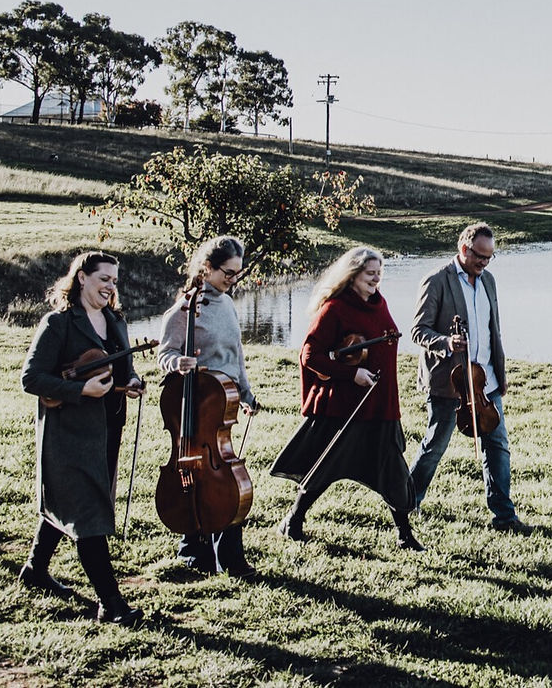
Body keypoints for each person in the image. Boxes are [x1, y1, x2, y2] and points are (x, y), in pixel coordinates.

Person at [18, 251, 144, 625]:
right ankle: (112, 604)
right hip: (69, 435)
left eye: (115, 281)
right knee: (88, 515)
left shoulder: (115, 321)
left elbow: (124, 367)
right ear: (82, 278)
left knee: (75, 502)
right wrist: (80, 391)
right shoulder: (59, 323)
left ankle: (35, 571)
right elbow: (32, 378)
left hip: (108, 430)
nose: (110, 287)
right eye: (104, 279)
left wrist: (131, 382)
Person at [270, 247, 424, 552]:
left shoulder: (380, 305)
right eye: (370, 273)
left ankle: (405, 536)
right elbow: (309, 354)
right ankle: (293, 520)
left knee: (392, 469)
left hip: (380, 404)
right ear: (352, 275)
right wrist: (351, 375)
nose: (376, 278)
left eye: (379, 272)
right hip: (345, 408)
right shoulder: (335, 309)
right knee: (325, 468)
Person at [408, 223, 533, 534]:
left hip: (486, 381)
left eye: (490, 257)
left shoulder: (488, 280)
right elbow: (418, 331)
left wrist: (500, 375)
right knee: (435, 445)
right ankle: (406, 501)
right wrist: (447, 343)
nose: (484, 263)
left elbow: (493, 332)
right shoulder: (437, 281)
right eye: (480, 256)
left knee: (498, 445)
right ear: (464, 249)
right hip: (450, 383)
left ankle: (504, 517)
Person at [157, 236, 260, 578]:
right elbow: (165, 354)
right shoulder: (184, 310)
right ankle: (193, 550)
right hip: (199, 405)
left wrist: (245, 393)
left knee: (225, 478)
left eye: (237, 274)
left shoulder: (227, 304)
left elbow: (236, 356)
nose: (233, 280)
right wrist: (179, 362)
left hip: (224, 401)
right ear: (207, 268)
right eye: (228, 273)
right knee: (196, 475)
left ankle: (229, 555)